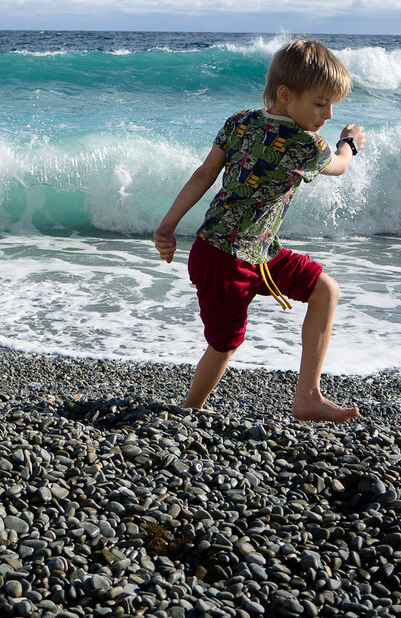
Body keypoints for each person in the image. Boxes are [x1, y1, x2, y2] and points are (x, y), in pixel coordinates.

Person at [153, 39, 365, 421]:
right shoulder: (306, 144)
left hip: (256, 252)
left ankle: (308, 397)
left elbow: (204, 174)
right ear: (286, 94)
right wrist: (349, 144)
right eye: (320, 103)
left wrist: (168, 225)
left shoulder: (239, 121)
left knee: (324, 290)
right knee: (224, 345)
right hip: (225, 260)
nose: (329, 114)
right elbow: (340, 165)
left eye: (332, 105)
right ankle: (189, 411)